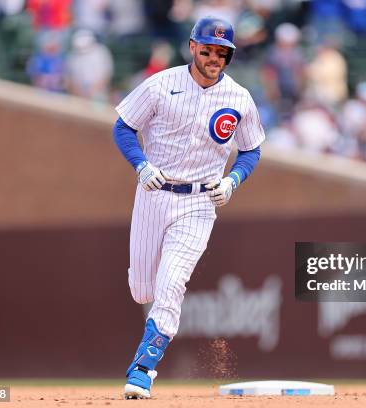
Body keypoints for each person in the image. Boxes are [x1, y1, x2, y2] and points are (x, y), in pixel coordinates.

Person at [112, 16, 264, 399]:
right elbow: (123, 126)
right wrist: (141, 164)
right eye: (207, 49)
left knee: (172, 283)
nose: (214, 57)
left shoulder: (239, 97)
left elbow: (251, 148)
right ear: (193, 47)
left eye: (221, 52)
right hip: (155, 191)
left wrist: (233, 180)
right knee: (141, 288)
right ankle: (146, 348)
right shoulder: (162, 84)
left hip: (200, 201)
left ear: (229, 55)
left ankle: (143, 368)